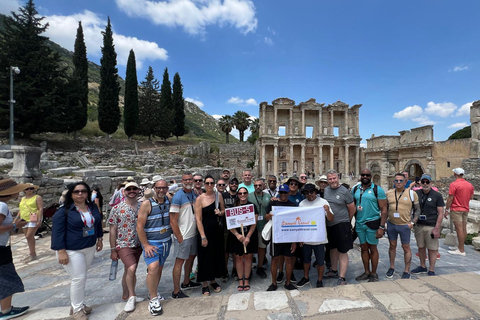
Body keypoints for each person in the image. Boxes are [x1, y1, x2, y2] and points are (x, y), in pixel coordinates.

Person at [51, 182, 103, 320]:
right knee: (78, 278)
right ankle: (77, 309)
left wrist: (100, 239)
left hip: (89, 246)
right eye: (76, 191)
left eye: (83, 191)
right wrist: (61, 251)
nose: (80, 194)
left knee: (81, 277)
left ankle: (76, 304)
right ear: (71, 194)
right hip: (71, 250)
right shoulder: (64, 211)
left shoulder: (92, 207)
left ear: (87, 193)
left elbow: (97, 223)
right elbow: (57, 232)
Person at [137, 179, 173, 315]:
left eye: (164, 188)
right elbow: (139, 226)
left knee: (159, 268)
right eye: (159, 188)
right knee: (153, 268)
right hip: (152, 243)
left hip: (166, 241)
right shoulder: (147, 204)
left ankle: (154, 291)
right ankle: (153, 299)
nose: (161, 190)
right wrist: (146, 245)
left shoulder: (169, 201)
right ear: (154, 188)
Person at [108, 182, 143, 312]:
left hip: (138, 243)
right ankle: (132, 296)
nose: (132, 191)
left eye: (134, 188)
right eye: (129, 189)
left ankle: (126, 293)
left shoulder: (142, 206)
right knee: (131, 268)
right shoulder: (117, 208)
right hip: (123, 244)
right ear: (124, 191)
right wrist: (113, 249)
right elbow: (112, 230)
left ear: (138, 190)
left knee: (128, 270)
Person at [0, 179, 30, 319]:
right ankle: (6, 311)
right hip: (0, 249)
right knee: (6, 278)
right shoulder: (2, 206)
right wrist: (14, 226)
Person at [352, 169, 387, 283]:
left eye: (367, 175)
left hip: (373, 222)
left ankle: (374, 273)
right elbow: (352, 206)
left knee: (373, 248)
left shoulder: (378, 190)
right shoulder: (356, 189)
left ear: (371, 176)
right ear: (360, 176)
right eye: (363, 175)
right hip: (360, 223)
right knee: (363, 247)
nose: (365, 176)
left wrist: (381, 227)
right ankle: (366, 271)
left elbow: (384, 210)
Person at [169, 173, 201, 300]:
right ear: (182, 181)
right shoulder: (178, 197)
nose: (188, 181)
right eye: (185, 180)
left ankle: (186, 282)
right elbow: (173, 220)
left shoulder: (193, 194)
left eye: (190, 179)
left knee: (191, 258)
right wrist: (179, 237)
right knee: (179, 262)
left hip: (193, 233)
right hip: (184, 235)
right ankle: (176, 291)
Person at [297, 183, 334, 288]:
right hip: (306, 237)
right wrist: (300, 237)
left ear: (315, 192)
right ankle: (306, 277)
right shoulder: (302, 204)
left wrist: (327, 210)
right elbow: (299, 222)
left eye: (311, 192)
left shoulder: (323, 202)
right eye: (307, 193)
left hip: (319, 238)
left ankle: (319, 280)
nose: (309, 194)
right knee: (306, 260)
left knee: (320, 261)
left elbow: (331, 218)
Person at [323, 170, 356, 285]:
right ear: (327, 180)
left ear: (338, 178)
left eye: (334, 178)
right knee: (332, 249)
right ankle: (334, 270)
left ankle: (342, 277)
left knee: (342, 250)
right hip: (330, 224)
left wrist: (347, 221)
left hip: (342, 224)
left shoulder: (344, 191)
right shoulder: (326, 190)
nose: (332, 181)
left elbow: (352, 208)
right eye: (330, 179)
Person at [385, 172, 420, 279]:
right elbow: (385, 208)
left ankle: (406, 270)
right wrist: (385, 223)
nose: (398, 182)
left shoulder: (411, 194)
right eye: (396, 180)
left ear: (405, 182)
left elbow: (417, 209)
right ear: (393, 182)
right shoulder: (389, 193)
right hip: (392, 224)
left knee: (406, 247)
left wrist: (413, 223)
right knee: (392, 246)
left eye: (401, 180)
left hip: (405, 225)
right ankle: (391, 267)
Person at [195, 175, 225, 296]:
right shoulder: (200, 199)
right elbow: (198, 219)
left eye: (211, 183)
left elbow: (223, 211)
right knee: (204, 257)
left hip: (216, 232)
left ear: (214, 184)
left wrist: (220, 212)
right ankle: (205, 284)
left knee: (215, 256)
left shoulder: (219, 196)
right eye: (207, 183)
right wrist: (203, 236)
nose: (209, 185)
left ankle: (213, 280)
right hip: (205, 232)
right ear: (204, 184)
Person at [265, 184, 297, 291]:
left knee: (288, 259)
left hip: (288, 236)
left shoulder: (292, 205)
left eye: (285, 192)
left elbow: (295, 224)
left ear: (288, 193)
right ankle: (273, 283)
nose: (283, 195)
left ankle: (288, 282)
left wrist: (294, 241)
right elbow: (266, 216)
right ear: (279, 193)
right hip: (276, 235)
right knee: (274, 259)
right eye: (281, 192)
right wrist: (270, 215)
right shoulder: (273, 203)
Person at [411, 174, 445, 276]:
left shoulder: (437, 195)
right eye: (423, 182)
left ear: (431, 183)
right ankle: (422, 266)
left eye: (427, 182)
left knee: (432, 248)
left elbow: (441, 213)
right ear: (420, 183)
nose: (425, 184)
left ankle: (431, 269)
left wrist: (437, 228)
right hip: (419, 225)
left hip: (431, 225)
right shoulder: (416, 193)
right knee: (421, 247)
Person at [228, 187, 258, 291]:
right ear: (238, 194)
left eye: (244, 193)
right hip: (237, 236)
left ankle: (247, 279)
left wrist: (248, 236)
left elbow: (254, 222)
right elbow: (230, 224)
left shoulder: (252, 206)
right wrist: (237, 235)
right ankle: (241, 279)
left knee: (249, 257)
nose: (242, 195)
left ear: (247, 194)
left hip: (249, 235)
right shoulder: (233, 207)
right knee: (239, 258)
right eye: (240, 193)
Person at [445, 168, 474, 256]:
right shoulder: (469, 185)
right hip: (465, 208)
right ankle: (460, 246)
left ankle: (461, 250)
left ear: (455, 174)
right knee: (463, 228)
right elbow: (471, 197)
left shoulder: (454, 184)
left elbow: (450, 198)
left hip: (456, 208)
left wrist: (446, 209)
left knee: (459, 229)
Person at [248, 179, 271, 279]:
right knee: (251, 249)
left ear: (263, 186)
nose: (258, 187)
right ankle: (248, 269)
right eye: (256, 185)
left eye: (260, 185)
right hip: (251, 227)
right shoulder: (249, 196)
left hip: (263, 226)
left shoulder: (268, 196)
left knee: (262, 248)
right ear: (254, 187)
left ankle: (260, 266)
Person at [18, 183, 43, 262]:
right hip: (24, 219)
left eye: (31, 188)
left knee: (29, 236)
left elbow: (40, 208)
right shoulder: (22, 199)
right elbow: (20, 209)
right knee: (28, 237)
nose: (29, 190)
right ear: (24, 190)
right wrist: (16, 219)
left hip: (33, 218)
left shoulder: (37, 197)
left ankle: (32, 254)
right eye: (27, 189)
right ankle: (32, 252)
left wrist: (39, 220)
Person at [222, 178, 239, 282]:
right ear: (229, 184)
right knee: (225, 251)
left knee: (235, 251)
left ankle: (235, 269)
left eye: (235, 183)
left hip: (236, 226)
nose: (234, 184)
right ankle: (224, 270)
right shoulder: (223, 196)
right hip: (225, 226)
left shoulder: (240, 195)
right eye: (232, 183)